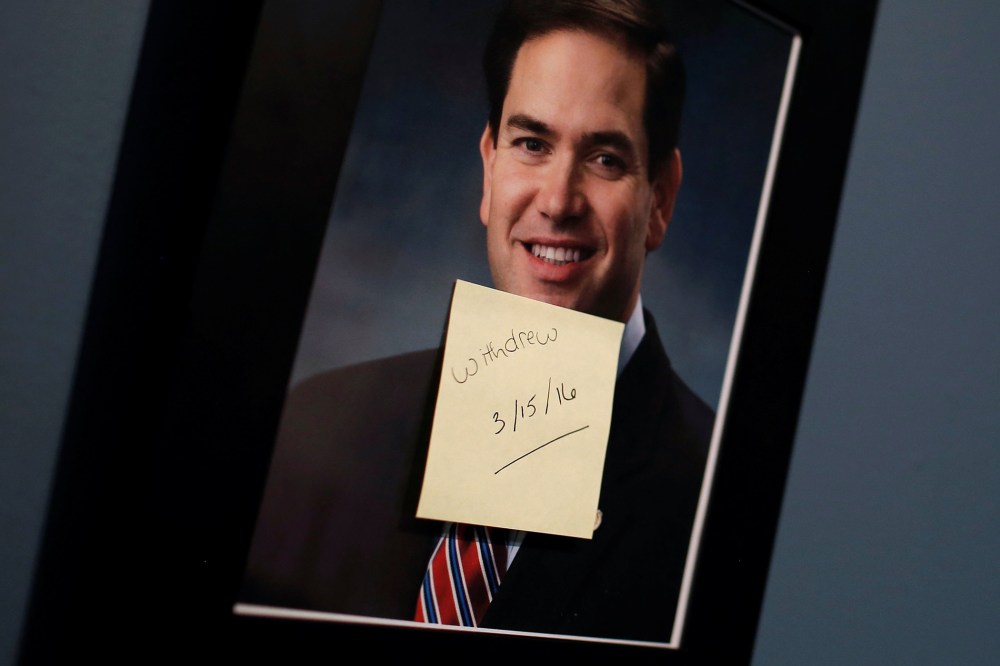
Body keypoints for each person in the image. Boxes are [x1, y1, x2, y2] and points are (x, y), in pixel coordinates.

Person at [240, 0, 713, 645]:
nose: (557, 200)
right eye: (532, 144)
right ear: (490, 167)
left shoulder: (716, 499)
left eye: (604, 158)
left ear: (659, 199)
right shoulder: (316, 424)